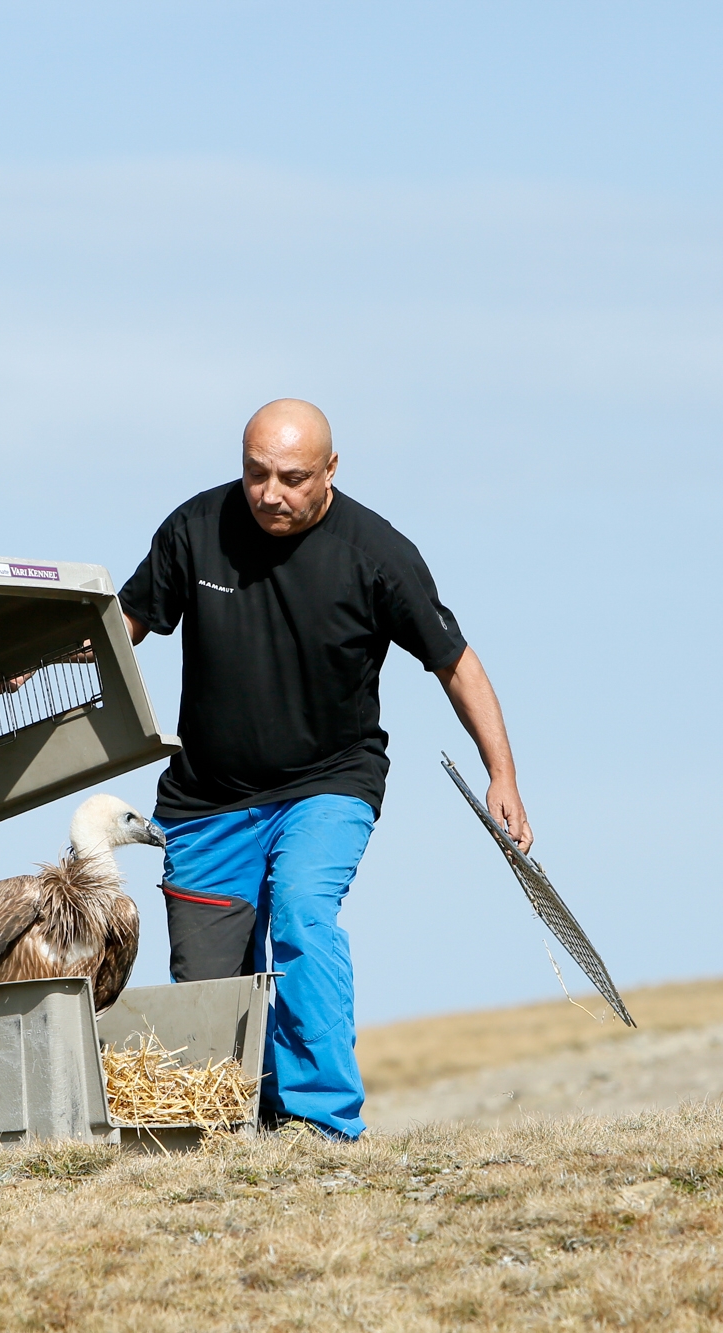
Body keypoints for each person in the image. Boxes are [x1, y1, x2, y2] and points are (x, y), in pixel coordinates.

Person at [119, 398, 532, 1141]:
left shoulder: (376, 554)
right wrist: (41, 655)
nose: (270, 493)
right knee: (210, 987)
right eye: (255, 474)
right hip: (205, 800)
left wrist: (501, 774)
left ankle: (322, 1120)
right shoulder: (195, 529)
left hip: (327, 784)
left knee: (304, 911)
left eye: (292, 476)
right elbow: (124, 626)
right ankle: (247, 1116)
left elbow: (457, 664)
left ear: (331, 471)